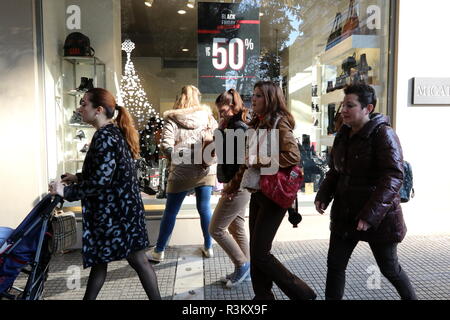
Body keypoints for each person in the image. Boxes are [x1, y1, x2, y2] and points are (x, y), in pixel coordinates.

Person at [48, 88, 161, 300]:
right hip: (121, 212)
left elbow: (101, 182)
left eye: (83, 104)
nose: (79, 108)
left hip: (117, 215)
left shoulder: (104, 137)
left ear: (98, 110)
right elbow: (107, 172)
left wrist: (66, 191)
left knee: (135, 260)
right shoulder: (112, 133)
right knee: (109, 261)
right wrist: (79, 177)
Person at [314, 84, 417, 300]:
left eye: (350, 105)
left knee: (389, 269)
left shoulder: (383, 134)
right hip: (345, 213)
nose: (343, 110)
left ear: (367, 108)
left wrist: (369, 215)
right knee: (335, 265)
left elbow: (394, 176)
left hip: (379, 217)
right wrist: (324, 195)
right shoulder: (343, 134)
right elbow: (336, 171)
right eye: (343, 105)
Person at [224, 81, 316, 300]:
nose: (253, 99)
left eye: (258, 96)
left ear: (270, 99)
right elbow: (248, 163)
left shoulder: (279, 123)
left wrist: (262, 161)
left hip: (275, 194)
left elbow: (292, 156)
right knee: (257, 253)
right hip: (259, 192)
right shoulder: (257, 123)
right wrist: (232, 185)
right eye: (253, 95)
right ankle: (263, 297)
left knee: (260, 253)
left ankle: (302, 294)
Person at [146, 85, 218, 262]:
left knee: (171, 211)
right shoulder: (208, 117)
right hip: (205, 169)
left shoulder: (172, 118)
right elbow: (217, 140)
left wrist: (183, 156)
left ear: (180, 98)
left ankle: (159, 251)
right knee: (204, 209)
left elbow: (166, 146)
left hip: (181, 171)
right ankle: (209, 247)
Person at [209, 89, 251, 288]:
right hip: (236, 184)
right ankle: (247, 270)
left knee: (216, 228)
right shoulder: (230, 126)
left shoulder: (239, 127)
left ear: (233, 107)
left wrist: (231, 187)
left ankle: (242, 265)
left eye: (223, 110)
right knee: (237, 227)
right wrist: (220, 128)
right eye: (219, 111)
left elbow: (239, 163)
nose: (221, 114)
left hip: (237, 185)